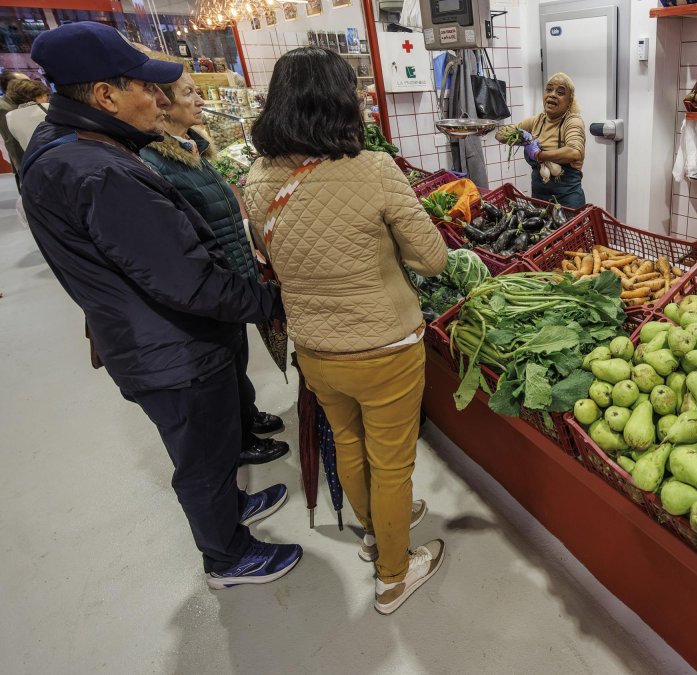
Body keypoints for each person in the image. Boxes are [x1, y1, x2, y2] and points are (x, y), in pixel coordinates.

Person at [22, 22, 301, 589]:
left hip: (153, 339)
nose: (159, 98)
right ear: (104, 96)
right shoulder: (99, 171)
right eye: (145, 88)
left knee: (215, 444)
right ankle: (227, 557)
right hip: (171, 349)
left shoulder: (67, 148)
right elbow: (188, 282)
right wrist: (277, 300)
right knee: (200, 456)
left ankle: (229, 512)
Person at [242, 46, 448, 615]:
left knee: (349, 445)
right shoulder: (374, 169)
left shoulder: (256, 179)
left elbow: (269, 252)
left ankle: (374, 533)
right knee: (393, 462)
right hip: (384, 346)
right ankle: (394, 575)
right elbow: (432, 260)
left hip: (315, 348)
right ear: (340, 103)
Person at [139, 71, 289, 467]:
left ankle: (247, 413)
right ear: (164, 103)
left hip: (230, 266)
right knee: (224, 355)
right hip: (212, 272)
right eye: (189, 93)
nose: (200, 99)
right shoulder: (155, 158)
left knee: (236, 349)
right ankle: (239, 437)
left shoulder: (191, 147)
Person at [495, 72, 587, 208]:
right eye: (549, 90)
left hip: (567, 202)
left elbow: (574, 152)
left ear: (569, 101)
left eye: (560, 92)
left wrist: (539, 155)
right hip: (539, 200)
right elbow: (500, 134)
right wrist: (521, 137)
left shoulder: (572, 121)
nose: (552, 94)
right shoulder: (537, 121)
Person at [6, 77, 50, 158]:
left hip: (34, 160)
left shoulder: (10, 116)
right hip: (58, 154)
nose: (47, 98)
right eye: (46, 95)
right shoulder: (49, 107)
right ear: (40, 95)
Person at [0, 68, 30, 184]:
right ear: (10, 86)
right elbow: (11, 141)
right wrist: (22, 168)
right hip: (23, 161)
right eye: (24, 82)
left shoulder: (18, 103)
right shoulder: (4, 107)